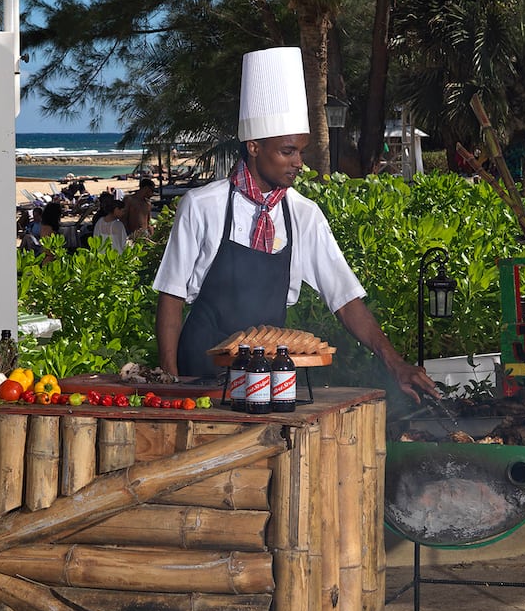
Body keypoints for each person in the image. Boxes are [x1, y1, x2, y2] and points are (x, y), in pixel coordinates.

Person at [152, 47, 436, 401]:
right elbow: (172, 297)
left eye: (301, 151)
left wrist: (396, 363)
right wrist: (170, 386)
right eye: (288, 151)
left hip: (267, 376)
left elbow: (345, 299)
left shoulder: (303, 213)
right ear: (254, 146)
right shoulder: (202, 205)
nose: (299, 162)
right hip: (199, 374)